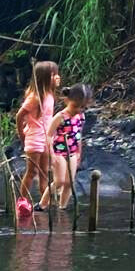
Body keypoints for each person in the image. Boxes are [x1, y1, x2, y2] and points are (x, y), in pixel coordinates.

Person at [15, 60, 60, 214]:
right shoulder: (35, 97)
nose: (57, 77)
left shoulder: (50, 95)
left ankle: (44, 202)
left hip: (47, 138)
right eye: (53, 75)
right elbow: (20, 115)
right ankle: (22, 201)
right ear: (44, 77)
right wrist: (22, 134)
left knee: (44, 172)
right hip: (34, 137)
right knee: (31, 171)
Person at [48, 83, 92, 209]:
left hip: (73, 151)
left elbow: (79, 135)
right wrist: (51, 154)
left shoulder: (80, 117)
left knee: (69, 182)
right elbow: (49, 135)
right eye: (76, 106)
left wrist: (79, 153)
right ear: (68, 101)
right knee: (59, 181)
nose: (78, 110)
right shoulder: (60, 116)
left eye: (82, 107)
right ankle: (42, 204)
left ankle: (62, 207)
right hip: (59, 151)